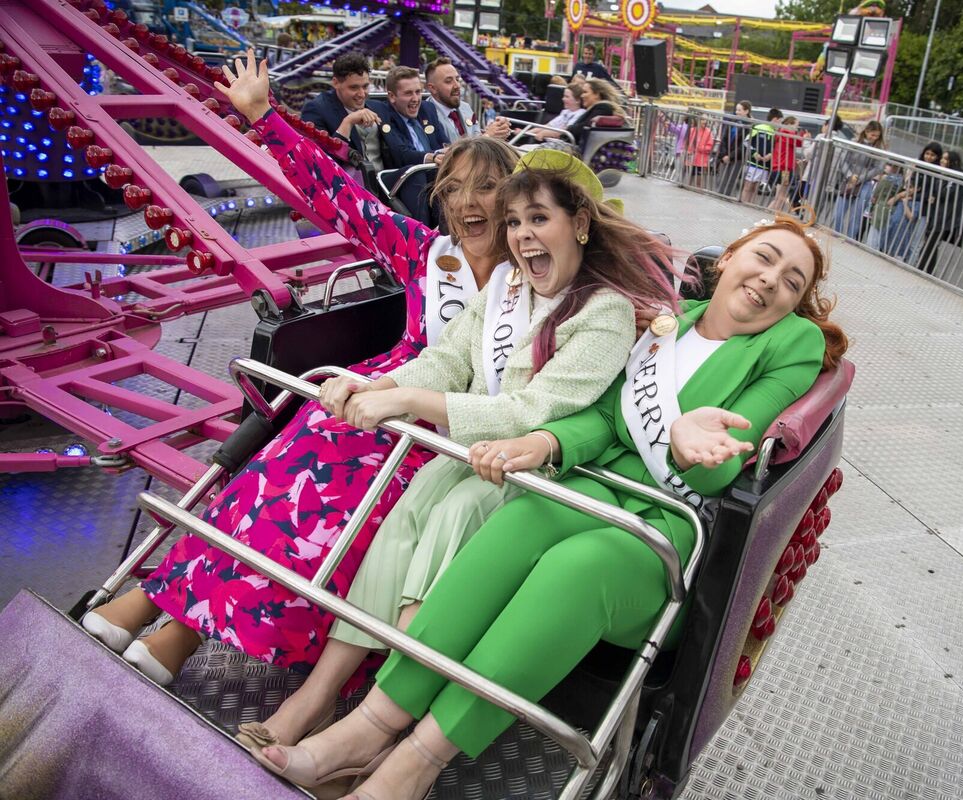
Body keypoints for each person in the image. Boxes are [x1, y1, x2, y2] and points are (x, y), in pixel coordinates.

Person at [253, 215, 848, 800]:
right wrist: (544, 443)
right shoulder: (673, 324)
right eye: (764, 258)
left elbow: (723, 463)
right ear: (728, 259)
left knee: (577, 568)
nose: (772, 280)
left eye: (793, 281)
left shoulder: (792, 343)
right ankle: (368, 728)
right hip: (594, 490)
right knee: (521, 517)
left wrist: (690, 439)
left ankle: (415, 765)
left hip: (665, 527)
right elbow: (608, 418)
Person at [79, 52, 518, 689]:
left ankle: (175, 627)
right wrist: (263, 117)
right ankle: (153, 606)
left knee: (317, 498)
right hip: (373, 397)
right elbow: (339, 199)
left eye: (486, 189)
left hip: (440, 429)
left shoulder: (537, 276)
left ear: (517, 200)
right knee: (277, 470)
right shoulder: (426, 253)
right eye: (454, 189)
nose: (468, 203)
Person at [235, 147, 687, 753]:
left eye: (538, 219)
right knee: (402, 525)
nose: (523, 236)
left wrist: (408, 404)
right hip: (467, 456)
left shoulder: (602, 312)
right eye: (515, 223)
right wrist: (382, 386)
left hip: (530, 472)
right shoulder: (505, 287)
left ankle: (380, 725)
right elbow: (448, 359)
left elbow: (533, 410)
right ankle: (315, 697)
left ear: (579, 223)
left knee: (451, 518)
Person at [367, 66, 452, 224]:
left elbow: (443, 142)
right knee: (419, 174)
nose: (415, 99)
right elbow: (401, 153)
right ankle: (422, 237)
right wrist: (432, 157)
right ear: (392, 96)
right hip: (399, 179)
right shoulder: (381, 112)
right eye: (408, 93)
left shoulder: (427, 109)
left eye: (418, 92)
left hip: (431, 175)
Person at [301, 51, 377, 167]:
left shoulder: (377, 106)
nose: (362, 94)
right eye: (354, 87)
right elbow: (320, 164)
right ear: (336, 83)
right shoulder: (316, 110)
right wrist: (348, 122)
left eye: (365, 86)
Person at [425, 57, 510, 143]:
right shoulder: (426, 115)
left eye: (457, 79)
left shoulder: (465, 107)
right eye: (448, 81)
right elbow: (449, 153)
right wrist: (487, 136)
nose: (457, 85)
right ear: (432, 88)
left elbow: (476, 137)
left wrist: (497, 132)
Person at [534, 78, 625, 154]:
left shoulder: (603, 108)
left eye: (585, 92)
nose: (582, 95)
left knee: (535, 152)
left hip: (575, 149)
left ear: (597, 94)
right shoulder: (596, 109)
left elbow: (584, 127)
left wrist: (565, 130)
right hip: (572, 145)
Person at [884, 141, 943, 261]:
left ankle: (903, 259)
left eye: (932, 155)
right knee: (896, 223)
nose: (929, 157)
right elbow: (912, 187)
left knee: (912, 238)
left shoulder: (937, 173)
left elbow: (927, 193)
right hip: (909, 199)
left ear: (937, 157)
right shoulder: (918, 166)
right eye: (927, 153)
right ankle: (890, 252)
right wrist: (909, 193)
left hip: (920, 205)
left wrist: (910, 195)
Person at [916, 150, 963, 275]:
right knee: (930, 243)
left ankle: (923, 269)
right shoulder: (944, 173)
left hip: (945, 217)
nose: (942, 161)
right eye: (942, 158)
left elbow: (945, 194)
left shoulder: (956, 176)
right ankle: (924, 269)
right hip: (936, 214)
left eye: (945, 159)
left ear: (953, 162)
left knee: (931, 243)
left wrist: (936, 195)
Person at [832, 120, 885, 238]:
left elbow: (878, 168)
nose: (874, 138)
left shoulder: (879, 149)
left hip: (865, 183)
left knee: (856, 216)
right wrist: (850, 176)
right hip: (848, 179)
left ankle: (850, 239)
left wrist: (860, 178)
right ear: (866, 132)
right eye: (873, 134)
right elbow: (843, 160)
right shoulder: (854, 142)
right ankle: (836, 235)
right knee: (838, 214)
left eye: (877, 136)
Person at [741, 108, 780, 204]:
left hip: (764, 166)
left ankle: (750, 206)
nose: (780, 123)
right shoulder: (758, 127)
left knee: (755, 189)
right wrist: (754, 153)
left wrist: (771, 155)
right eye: (780, 121)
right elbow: (746, 141)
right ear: (775, 119)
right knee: (748, 186)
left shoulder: (777, 133)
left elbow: (776, 148)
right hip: (752, 163)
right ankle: (742, 204)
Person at [716, 100, 751, 197]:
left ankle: (725, 197)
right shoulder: (732, 121)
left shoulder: (749, 126)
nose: (737, 112)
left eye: (739, 110)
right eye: (736, 110)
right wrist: (723, 155)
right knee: (721, 179)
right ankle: (718, 195)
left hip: (737, 157)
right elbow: (724, 138)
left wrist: (730, 156)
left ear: (746, 111)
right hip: (725, 155)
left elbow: (743, 145)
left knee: (730, 180)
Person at [768, 116, 800, 212]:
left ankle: (767, 212)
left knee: (779, 195)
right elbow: (798, 142)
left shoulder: (781, 133)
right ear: (789, 124)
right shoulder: (786, 133)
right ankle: (773, 215)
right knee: (782, 196)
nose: (797, 128)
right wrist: (803, 136)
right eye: (796, 125)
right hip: (784, 168)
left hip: (780, 167)